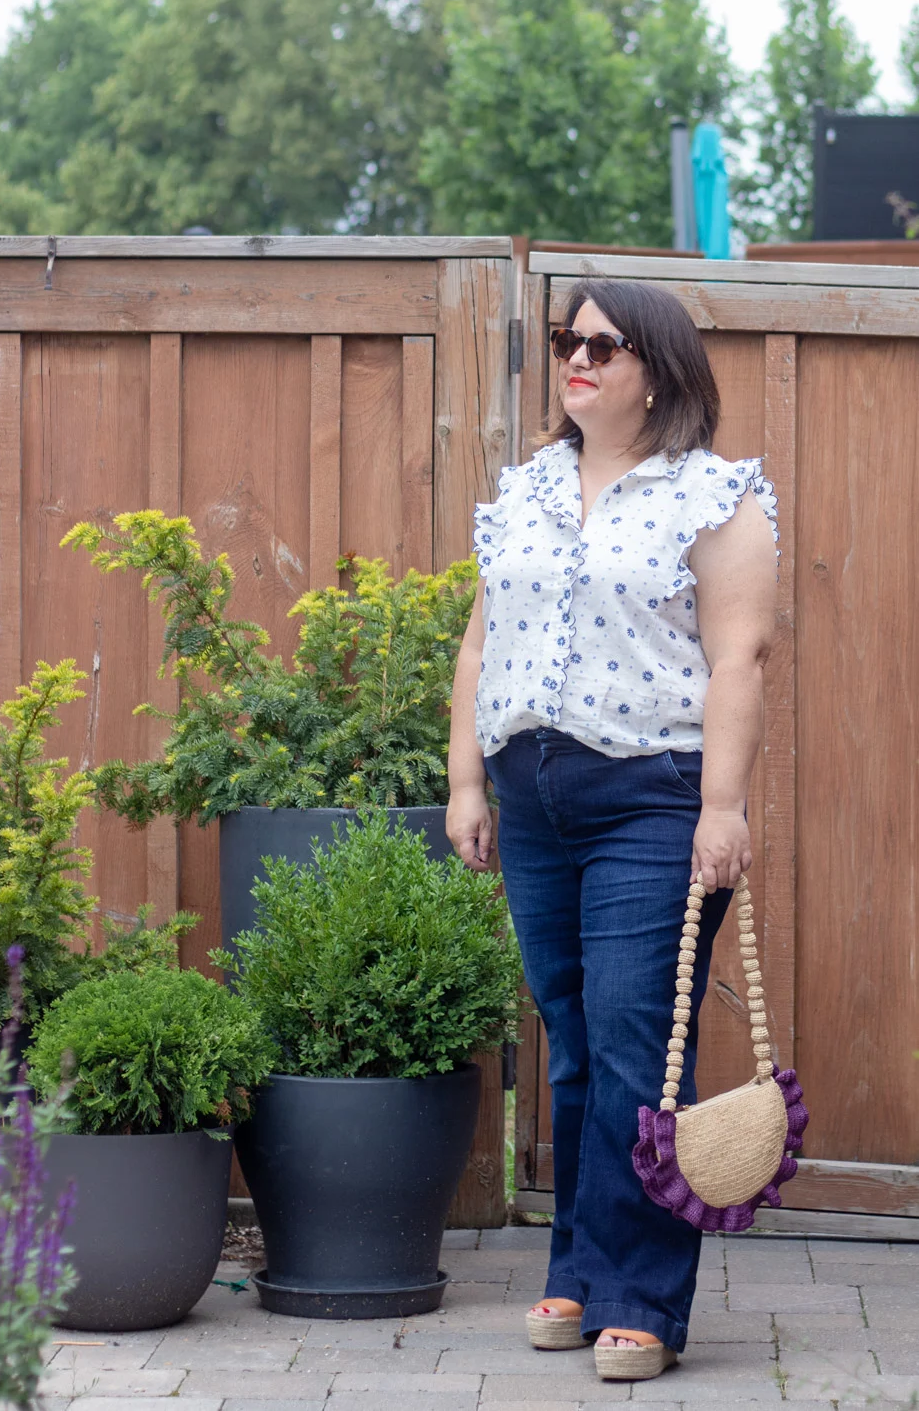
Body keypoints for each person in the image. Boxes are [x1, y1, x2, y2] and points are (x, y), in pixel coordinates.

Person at [446, 278, 778, 1383]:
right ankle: (580, 1271)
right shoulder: (527, 489)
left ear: (659, 368)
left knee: (640, 1041)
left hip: (652, 794)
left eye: (601, 342)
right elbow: (480, 641)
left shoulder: (711, 495)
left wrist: (720, 808)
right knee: (577, 1041)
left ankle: (640, 1297)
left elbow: (738, 659)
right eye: (564, 340)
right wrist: (466, 783)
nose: (575, 358)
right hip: (530, 790)